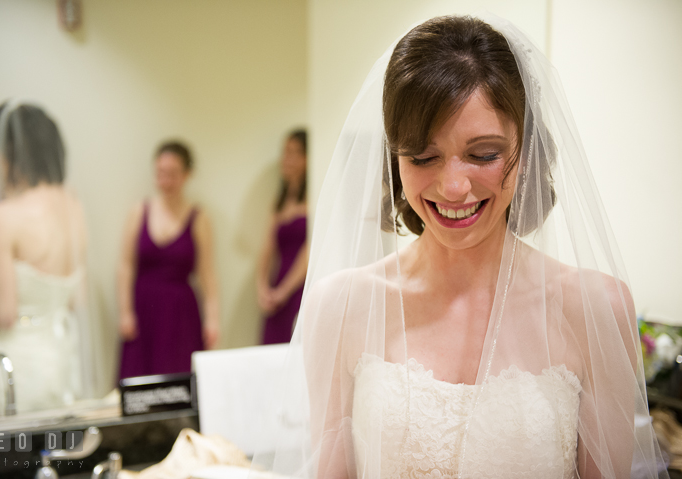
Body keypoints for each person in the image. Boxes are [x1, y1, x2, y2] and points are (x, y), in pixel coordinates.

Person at [252, 15, 667, 479]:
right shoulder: (342, 306)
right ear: (394, 158)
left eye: (483, 154)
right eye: (423, 156)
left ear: (525, 151)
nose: (452, 187)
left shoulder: (595, 307)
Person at [0, 101, 92, 413]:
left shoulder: (3, 217)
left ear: (9, 156)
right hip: (61, 360)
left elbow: (4, 313)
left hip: (16, 364)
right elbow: (76, 299)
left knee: (11, 457)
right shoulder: (73, 207)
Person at [118, 140, 220, 379]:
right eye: (160, 173)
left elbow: (207, 272)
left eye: (172, 174)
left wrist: (213, 319)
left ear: (187, 174)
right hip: (144, 310)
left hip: (181, 315)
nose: (165, 181)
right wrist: (125, 311)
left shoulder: (199, 217)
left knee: (180, 384)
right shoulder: (138, 211)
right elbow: (125, 266)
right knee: (140, 386)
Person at [257, 129, 308, 344]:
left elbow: (310, 249)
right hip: (276, 289)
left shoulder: (314, 201)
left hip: (301, 288)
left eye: (295, 153)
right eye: (285, 152)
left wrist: (284, 292)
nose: (287, 159)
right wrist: (261, 288)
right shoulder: (279, 203)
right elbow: (267, 249)